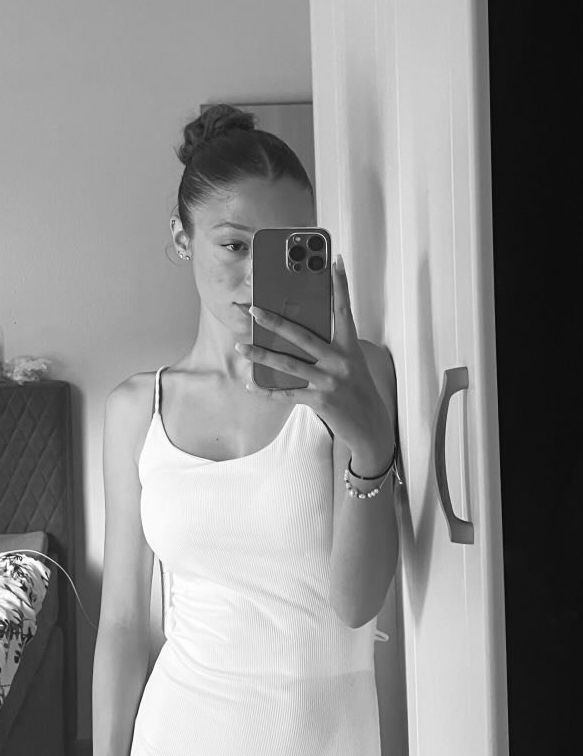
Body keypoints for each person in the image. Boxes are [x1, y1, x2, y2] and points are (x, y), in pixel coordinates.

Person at [91, 104, 400, 756]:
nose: (257, 275)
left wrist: (371, 444)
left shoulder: (352, 379)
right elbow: (120, 622)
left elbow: (356, 605)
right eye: (234, 245)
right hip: (177, 729)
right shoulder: (135, 410)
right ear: (182, 238)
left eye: (284, 250)